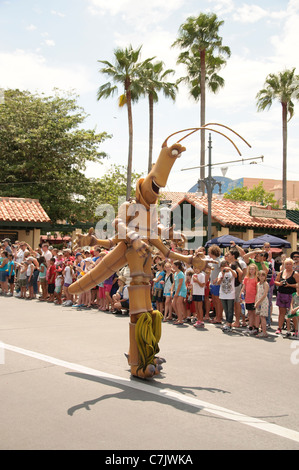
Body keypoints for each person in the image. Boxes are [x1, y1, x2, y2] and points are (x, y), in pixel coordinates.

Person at [275, 258, 299, 336]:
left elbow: (298, 285)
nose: (288, 266)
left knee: (292, 313)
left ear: (292, 265)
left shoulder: (295, 274)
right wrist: (280, 284)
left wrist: (289, 285)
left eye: (289, 264)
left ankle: (296, 329)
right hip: (281, 293)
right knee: (281, 312)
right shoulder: (281, 273)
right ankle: (279, 328)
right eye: (286, 264)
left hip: (291, 295)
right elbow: (275, 281)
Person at [217, 260, 237, 332]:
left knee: (230, 309)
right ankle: (228, 323)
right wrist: (222, 274)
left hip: (230, 294)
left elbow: (236, 275)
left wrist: (230, 269)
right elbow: (218, 282)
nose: (223, 268)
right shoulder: (220, 273)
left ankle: (229, 323)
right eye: (222, 267)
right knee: (225, 309)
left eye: (224, 267)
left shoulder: (232, 272)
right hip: (223, 294)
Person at [240, 263, 258, 335]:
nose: (251, 271)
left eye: (253, 269)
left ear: (255, 270)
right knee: (249, 312)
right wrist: (241, 293)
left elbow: (257, 289)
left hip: (254, 298)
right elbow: (244, 287)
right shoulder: (246, 278)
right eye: (250, 269)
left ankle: (254, 326)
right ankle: (250, 326)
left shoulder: (256, 278)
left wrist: (257, 298)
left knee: (254, 313)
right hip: (248, 297)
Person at [207, 245, 223, 324]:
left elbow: (222, 271)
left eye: (209, 252)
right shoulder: (213, 261)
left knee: (218, 301)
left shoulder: (218, 261)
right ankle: (217, 316)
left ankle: (219, 317)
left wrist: (217, 279)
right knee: (215, 301)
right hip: (213, 284)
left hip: (217, 284)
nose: (208, 253)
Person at [171, 260, 187, 325]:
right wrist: (172, 290)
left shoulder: (180, 273)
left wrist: (177, 293)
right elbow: (174, 283)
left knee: (178, 303)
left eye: (173, 265)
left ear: (177, 266)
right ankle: (180, 317)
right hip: (177, 290)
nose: (172, 266)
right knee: (173, 304)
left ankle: (180, 320)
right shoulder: (175, 274)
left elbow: (180, 284)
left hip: (182, 290)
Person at [255, 271, 269, 338]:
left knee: (263, 317)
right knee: (259, 316)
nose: (262, 277)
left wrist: (258, 302)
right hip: (258, 301)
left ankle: (264, 332)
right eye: (260, 276)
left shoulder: (265, 284)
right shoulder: (258, 284)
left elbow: (265, 294)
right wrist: (256, 302)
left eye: (263, 276)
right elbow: (257, 294)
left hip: (263, 302)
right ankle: (261, 329)